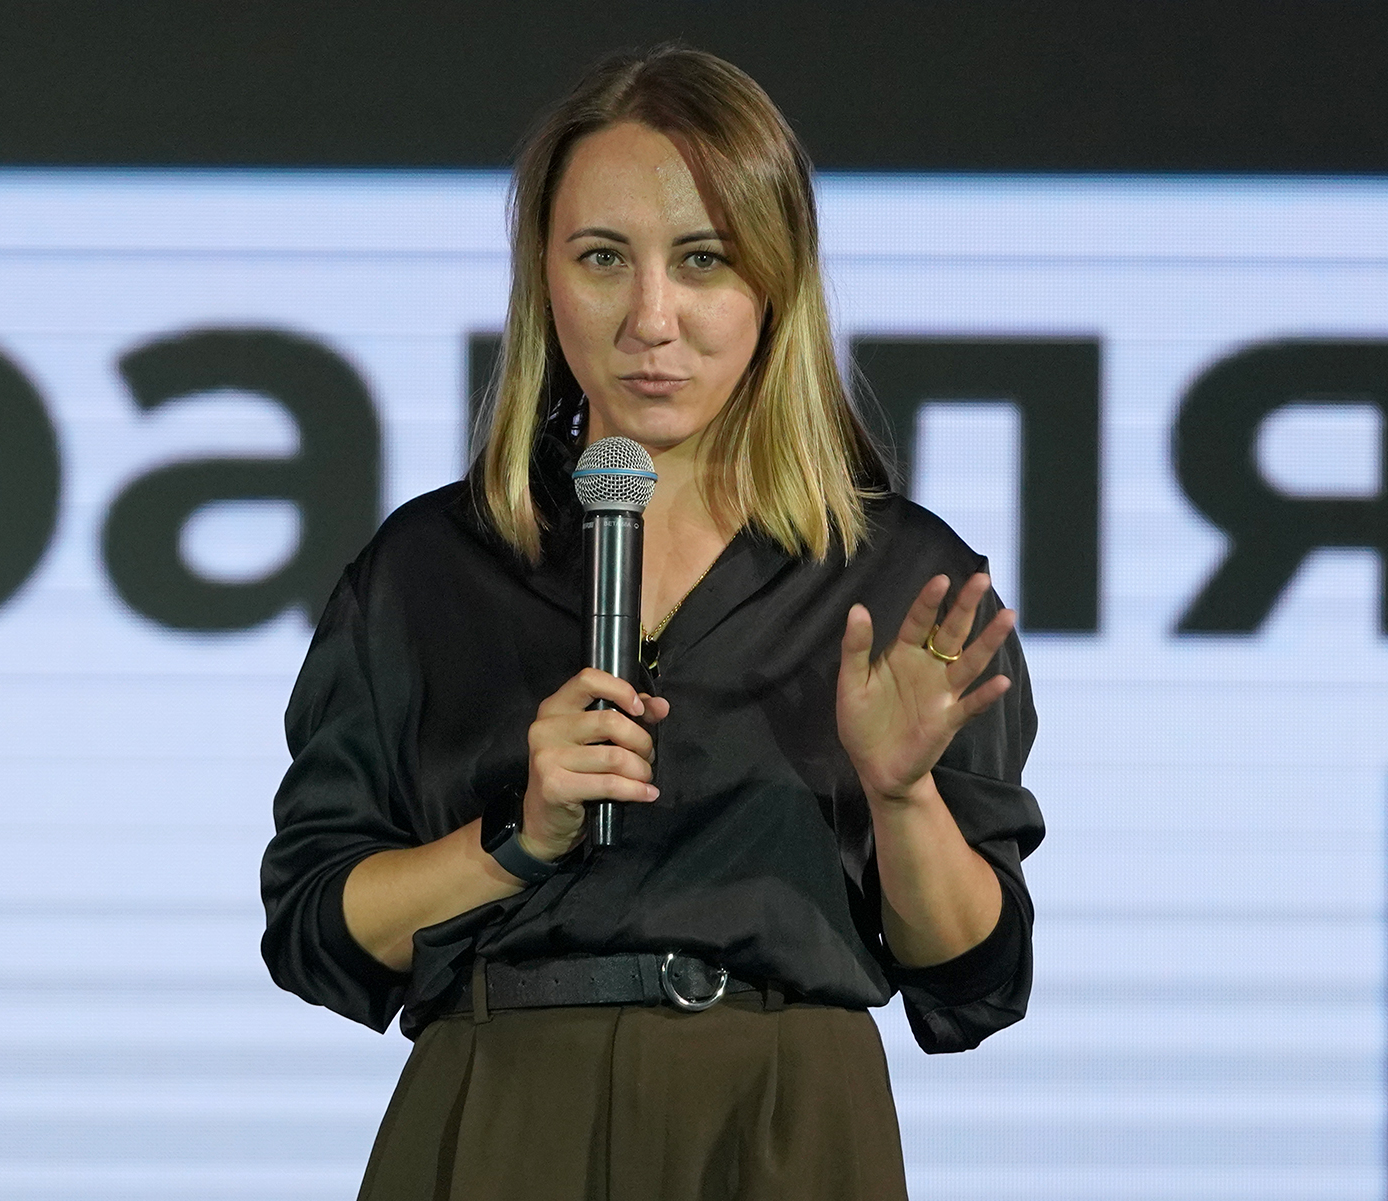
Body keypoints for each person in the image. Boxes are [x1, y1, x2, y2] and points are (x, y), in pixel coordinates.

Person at [261, 44, 1043, 1201]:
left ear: (775, 281)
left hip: (785, 1122)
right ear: (543, 278)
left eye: (702, 261)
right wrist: (516, 836)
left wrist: (902, 795)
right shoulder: (429, 567)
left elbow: (975, 978)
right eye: (602, 259)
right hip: (501, 1111)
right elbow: (315, 932)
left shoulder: (900, 577)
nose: (651, 318)